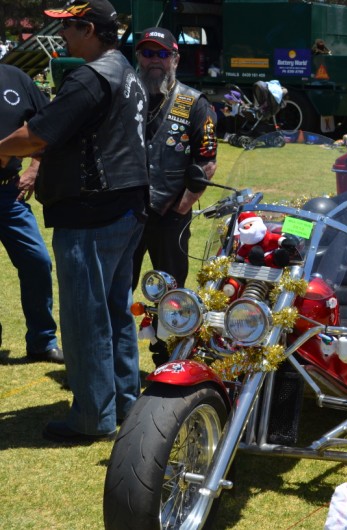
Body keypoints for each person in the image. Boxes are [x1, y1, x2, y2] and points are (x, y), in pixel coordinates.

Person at [0, 0, 149, 444]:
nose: (62, 35)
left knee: (86, 319)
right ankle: (124, 403)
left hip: (91, 213)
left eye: (69, 27)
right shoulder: (125, 70)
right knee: (115, 312)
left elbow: (37, 135)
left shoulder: (90, 77)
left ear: (90, 30)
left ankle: (92, 418)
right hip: (125, 207)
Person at [131, 27, 218, 364]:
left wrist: (181, 208)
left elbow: (206, 163)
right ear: (138, 57)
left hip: (170, 214)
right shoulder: (128, 97)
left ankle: (168, 358)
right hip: (127, 210)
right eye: (147, 53)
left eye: (162, 54)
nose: (154, 60)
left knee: (172, 293)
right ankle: (116, 358)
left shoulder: (194, 103)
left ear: (175, 59)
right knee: (118, 286)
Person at [0, 65, 63, 364]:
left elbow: (52, 123)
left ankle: (41, 342)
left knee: (38, 261)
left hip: (8, 195)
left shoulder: (16, 78)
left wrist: (35, 168)